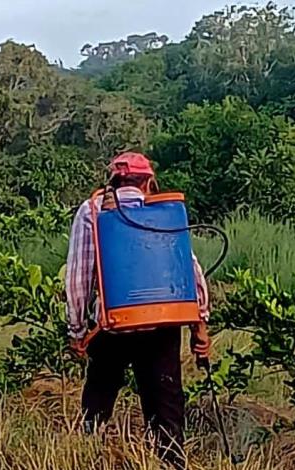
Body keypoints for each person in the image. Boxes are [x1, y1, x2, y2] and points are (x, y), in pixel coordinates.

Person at [65, 152, 211, 469]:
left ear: (113, 181)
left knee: (99, 399)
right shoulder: (163, 211)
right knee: (166, 404)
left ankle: (87, 457)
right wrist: (200, 329)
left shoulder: (92, 210)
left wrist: (77, 332)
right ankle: (171, 463)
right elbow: (190, 270)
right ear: (147, 181)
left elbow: (78, 276)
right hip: (162, 325)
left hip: (111, 323)